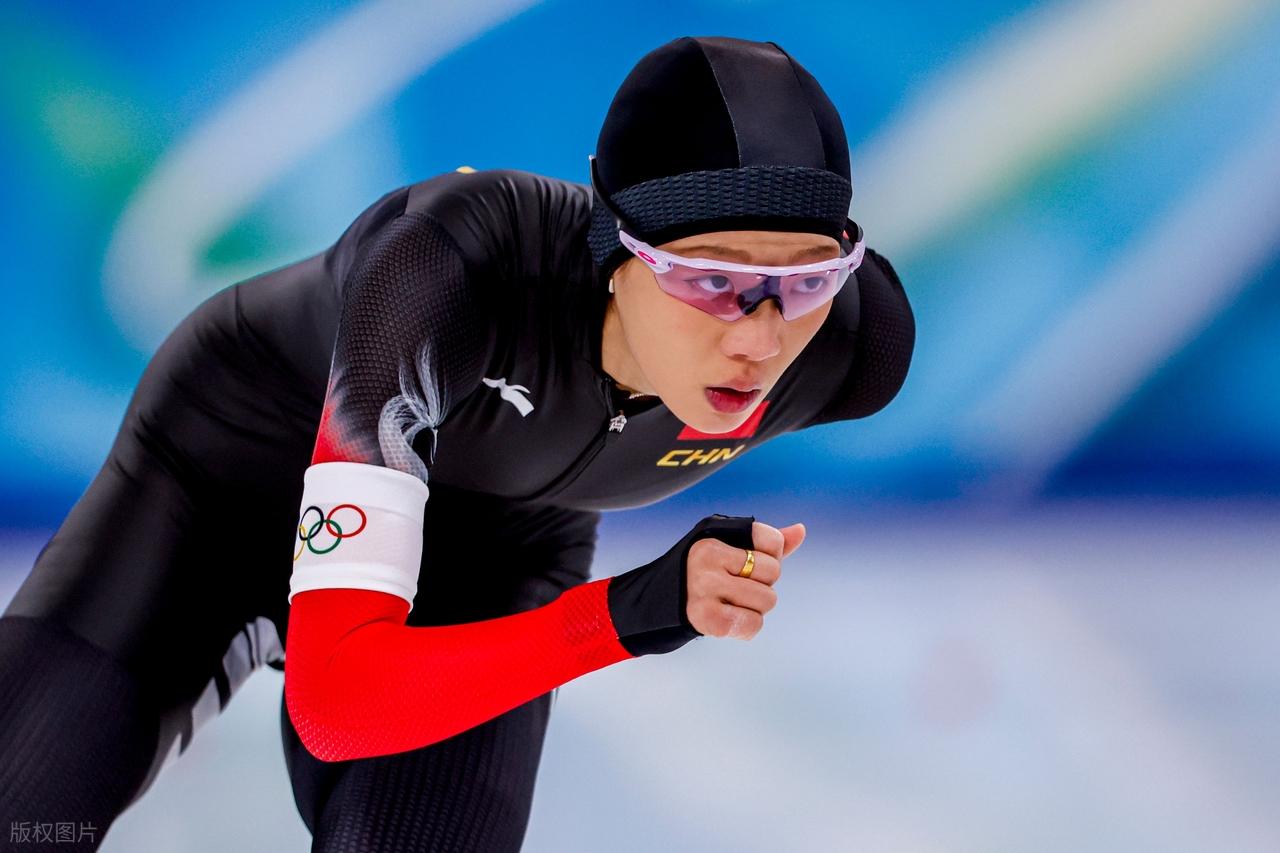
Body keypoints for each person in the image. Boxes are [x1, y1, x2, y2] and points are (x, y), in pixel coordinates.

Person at [0, 35, 914, 852]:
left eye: (808, 279)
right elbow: (338, 698)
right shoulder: (448, 270)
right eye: (711, 280)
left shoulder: (850, 348)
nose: (761, 337)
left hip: (487, 556)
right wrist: (625, 613)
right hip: (219, 494)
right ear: (617, 246)